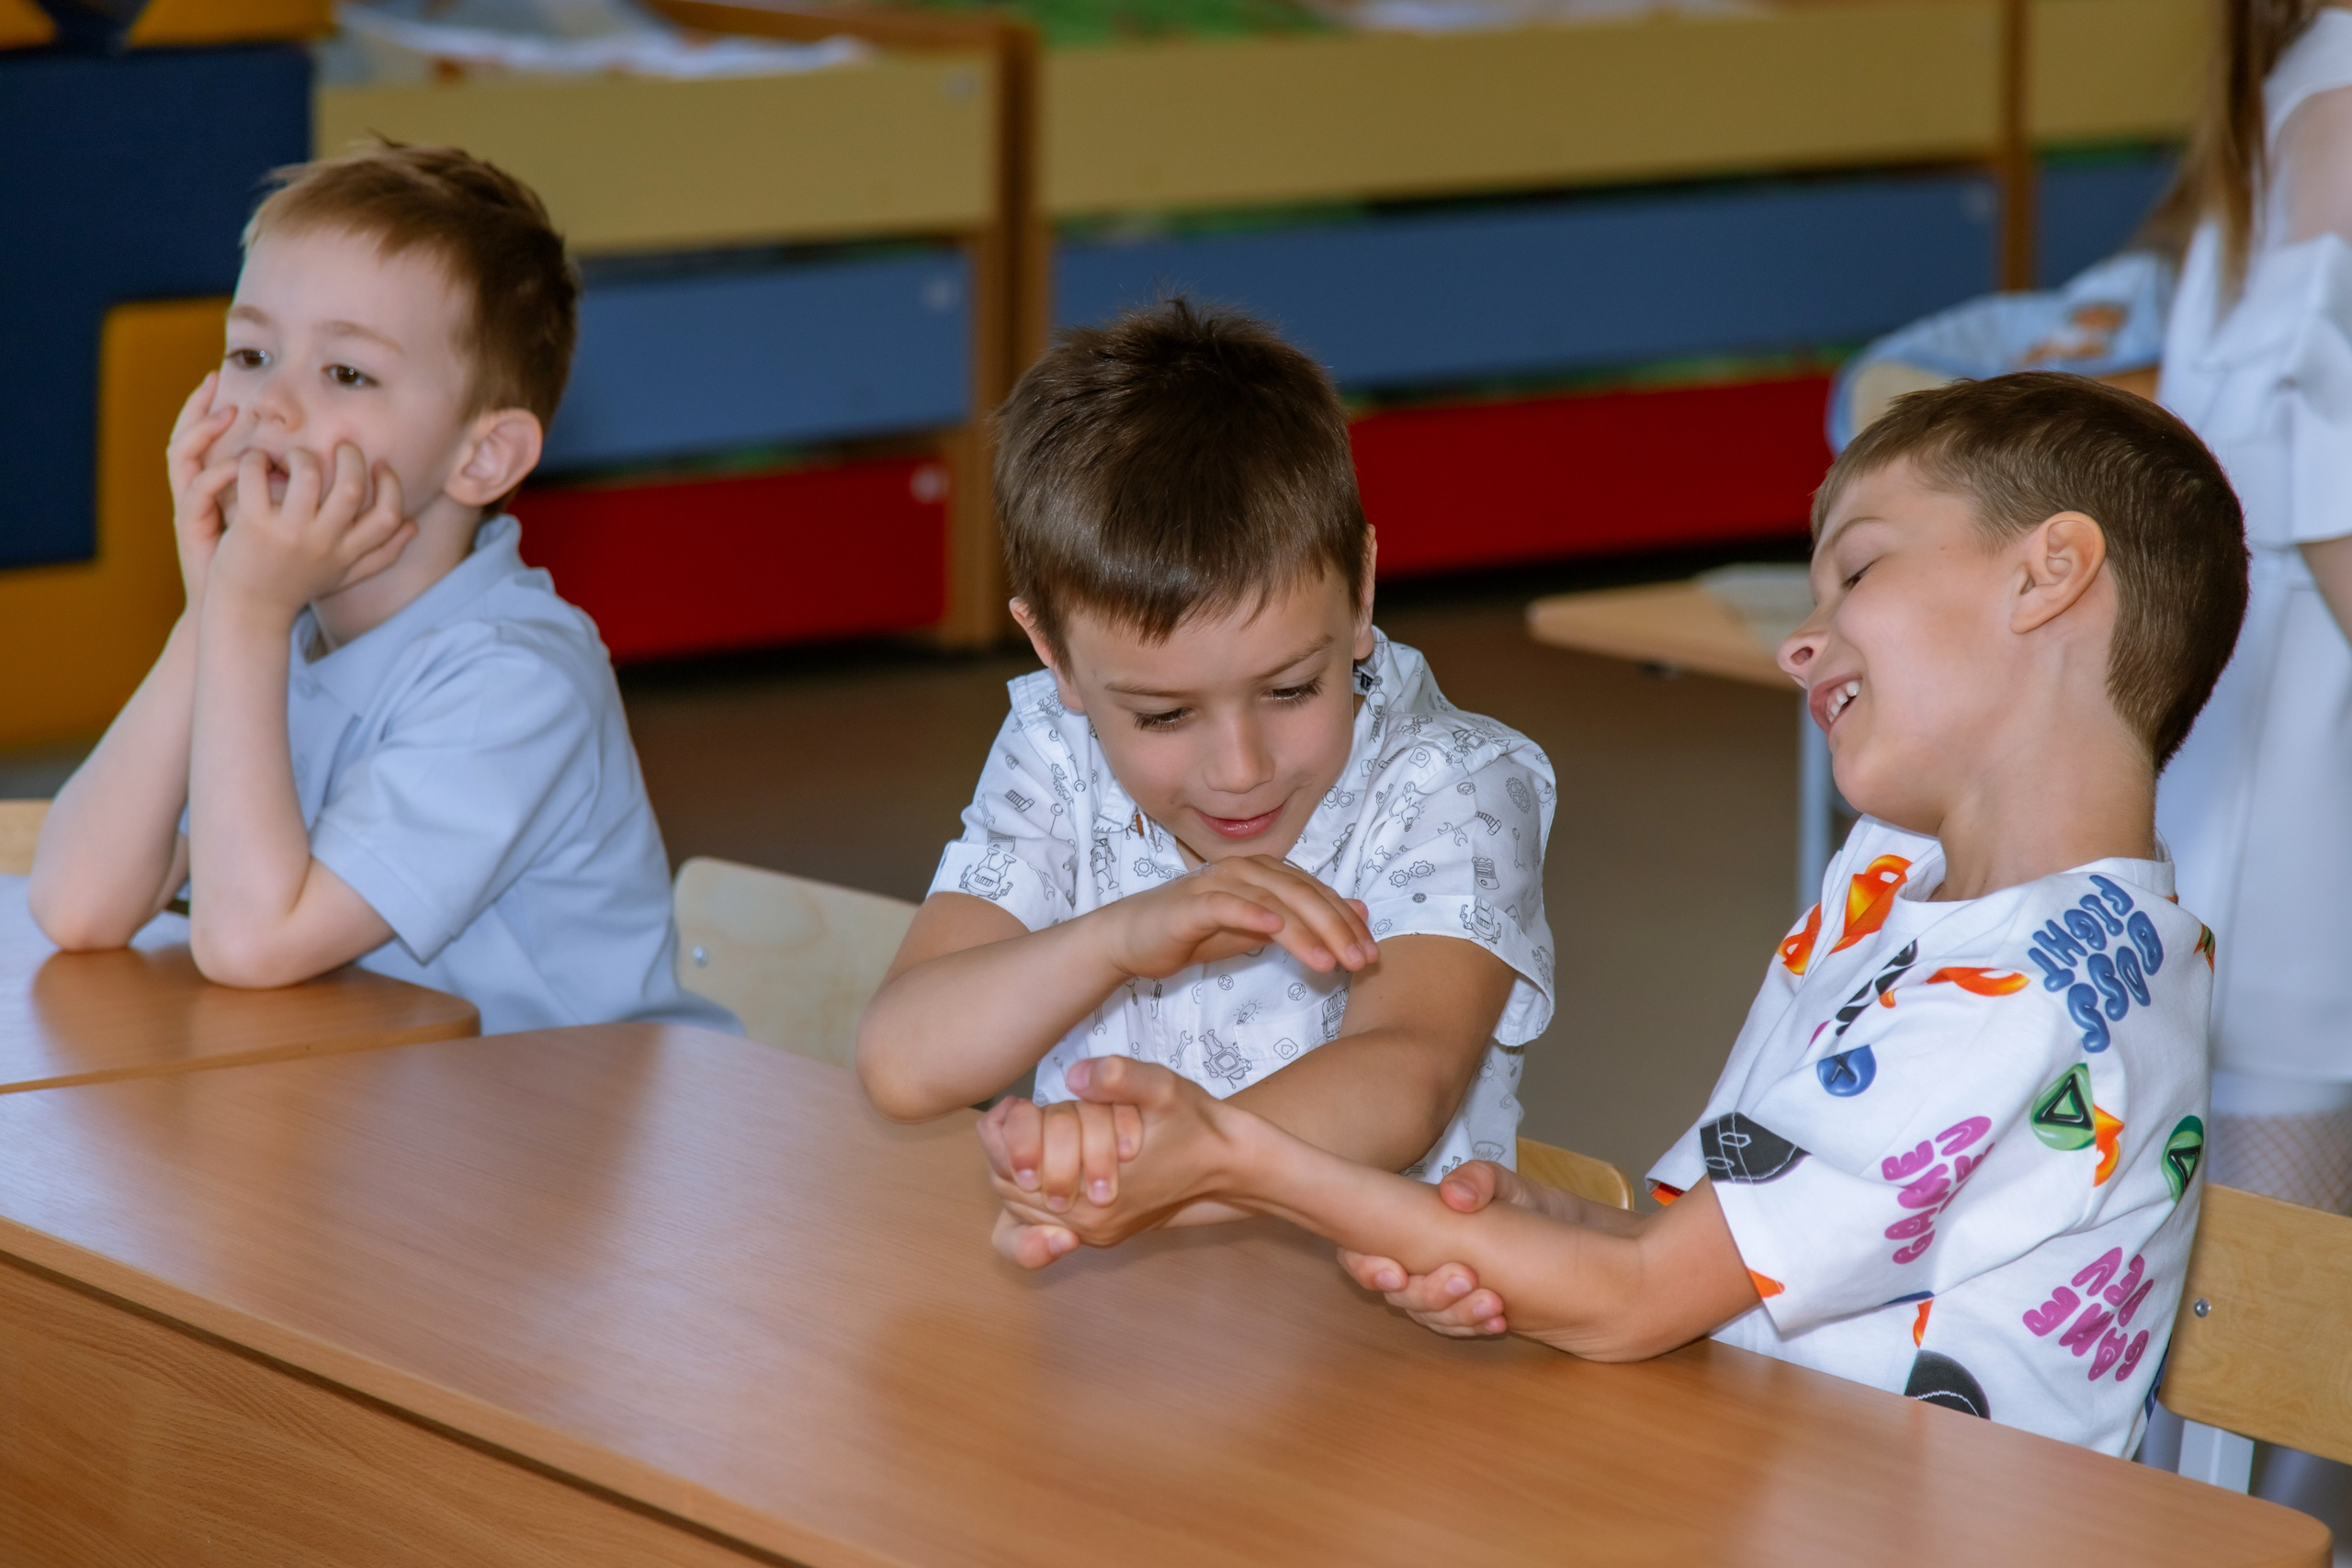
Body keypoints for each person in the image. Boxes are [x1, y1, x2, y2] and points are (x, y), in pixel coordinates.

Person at [1049, 374, 2247, 1459]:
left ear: (2049, 573)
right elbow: (1731, 1241)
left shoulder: (2024, 990)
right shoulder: (1920, 885)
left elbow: (1640, 1301)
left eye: (1860, 571)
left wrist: (1236, 1154)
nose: (1798, 642)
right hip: (1751, 1470)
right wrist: (1550, 1228)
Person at [855, 299, 1557, 1269]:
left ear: (1358, 593)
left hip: (1381, 1343)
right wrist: (1117, 939)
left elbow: (1404, 1079)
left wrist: (1169, 1170)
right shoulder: (1057, 751)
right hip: (1118, 1321)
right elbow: (902, 1061)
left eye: (1289, 688)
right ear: (1053, 653)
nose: (1239, 770)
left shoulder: (1454, 785)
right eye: (1162, 716)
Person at [29, 142, 729, 1037]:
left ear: (482, 456)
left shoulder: (516, 683)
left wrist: (241, 614)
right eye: (249, 353)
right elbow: (80, 906)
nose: (268, 405)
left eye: (346, 373)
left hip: (558, 1150)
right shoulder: (274, 628)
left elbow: (251, 945)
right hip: (372, 1116)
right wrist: (210, 612)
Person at [2148, 0, 2352, 1218]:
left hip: (2277, 707)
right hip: (2299, 741)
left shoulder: (2307, 82)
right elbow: (2329, 460)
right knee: (2273, 1227)